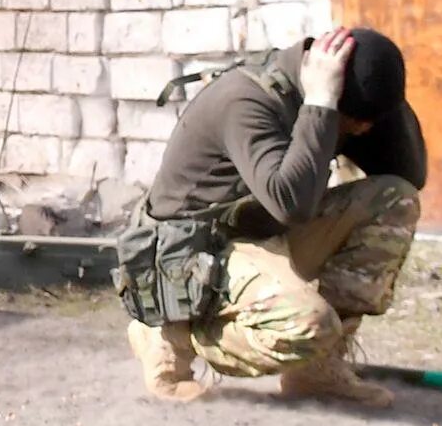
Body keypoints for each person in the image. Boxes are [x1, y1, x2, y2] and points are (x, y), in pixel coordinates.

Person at [125, 26, 425, 406]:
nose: (363, 130)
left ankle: (315, 371)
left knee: (394, 200)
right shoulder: (248, 101)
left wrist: (381, 103)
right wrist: (321, 105)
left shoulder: (330, 95)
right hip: (196, 254)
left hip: (265, 234)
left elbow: (409, 175)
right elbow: (291, 203)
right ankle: (171, 335)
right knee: (309, 326)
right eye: (357, 121)